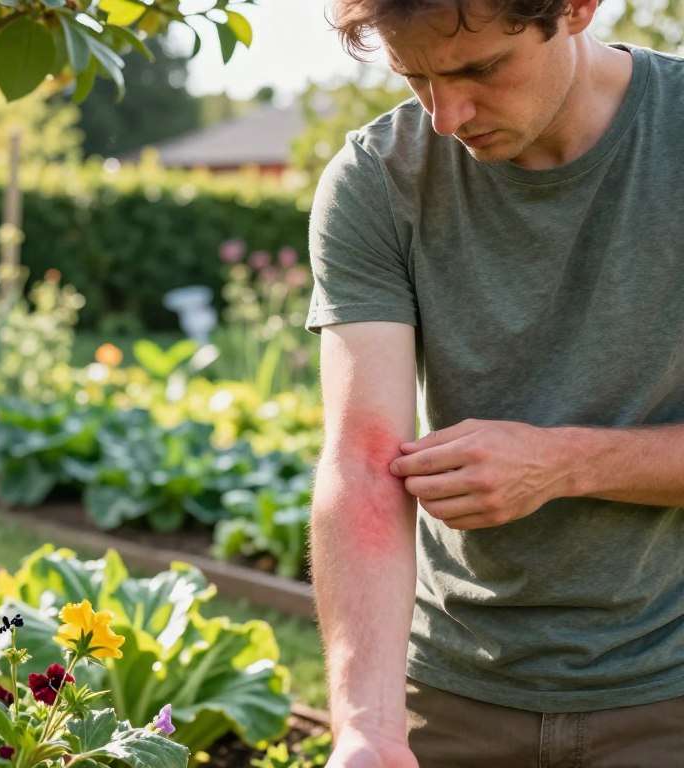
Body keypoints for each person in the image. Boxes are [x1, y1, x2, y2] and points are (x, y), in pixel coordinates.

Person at [304, 0, 684, 764]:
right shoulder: (379, 178)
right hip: (451, 693)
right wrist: (367, 725)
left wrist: (564, 463)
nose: (447, 116)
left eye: (480, 69)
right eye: (417, 79)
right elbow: (361, 462)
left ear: (577, 8)